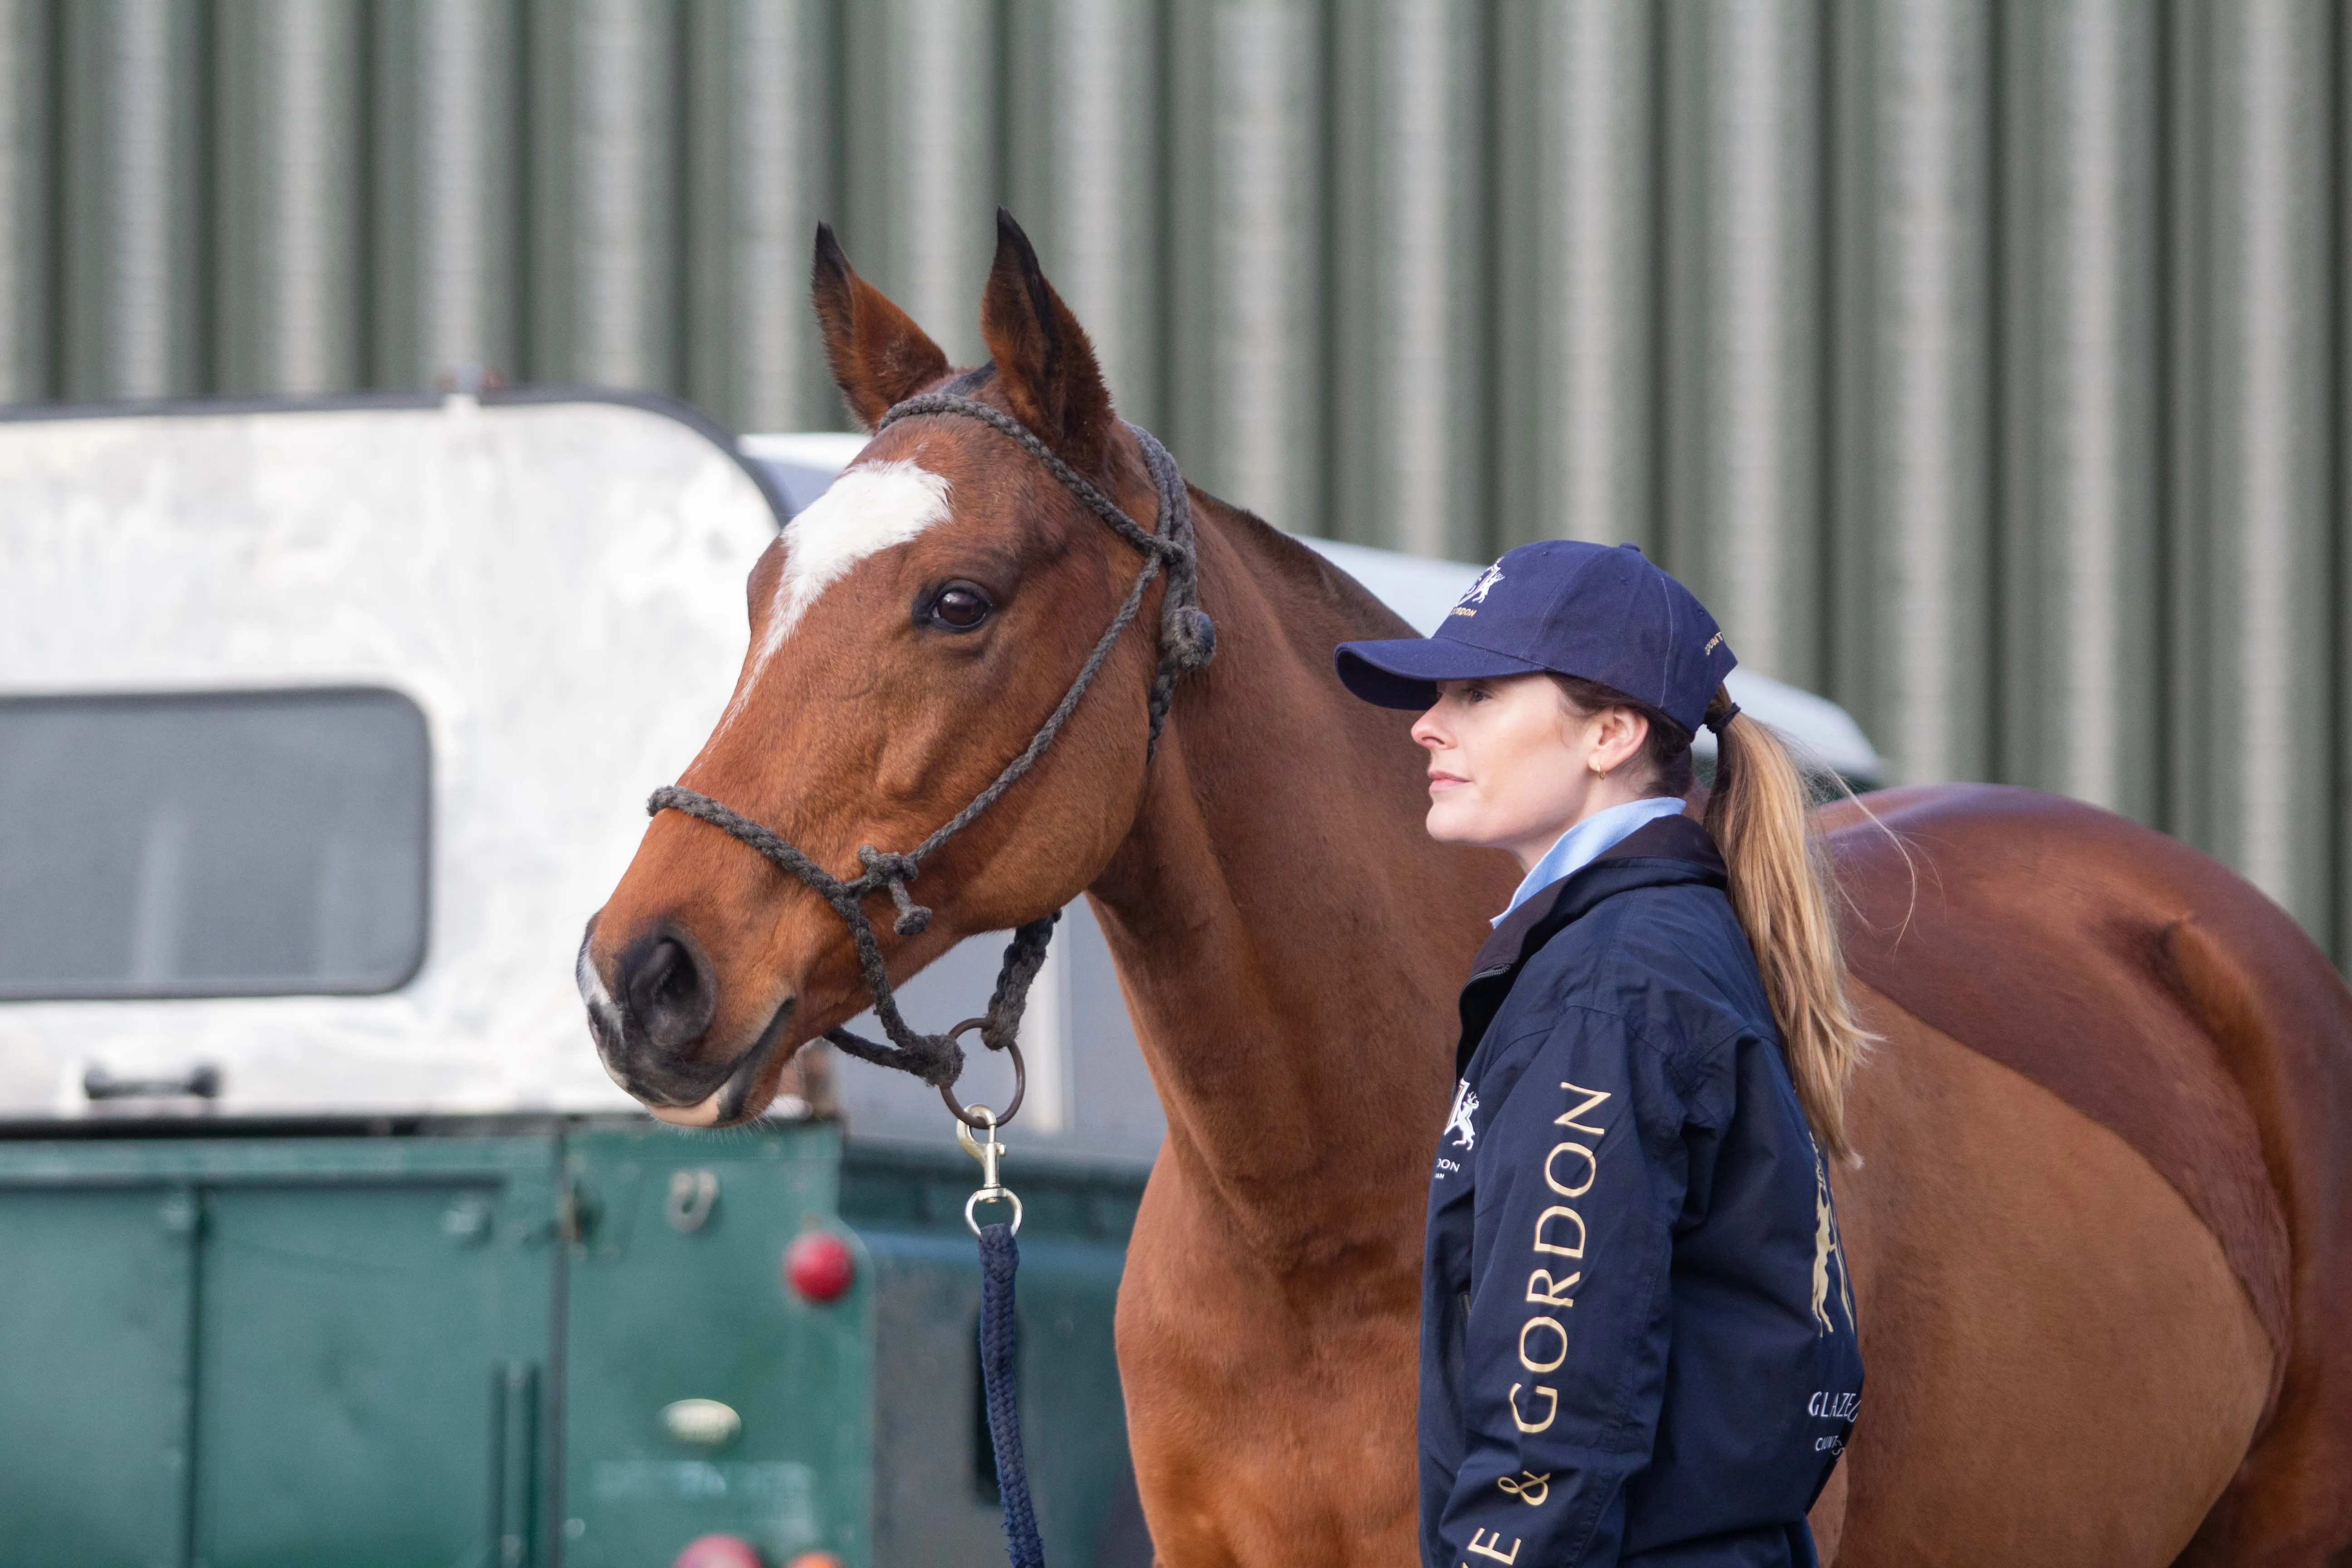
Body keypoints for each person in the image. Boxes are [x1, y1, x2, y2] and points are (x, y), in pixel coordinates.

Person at [1335, 540, 1867, 1568]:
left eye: (1480, 693)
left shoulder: (1608, 985)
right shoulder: (1643, 947)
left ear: (1611, 733)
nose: (1426, 726)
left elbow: (1557, 1408)